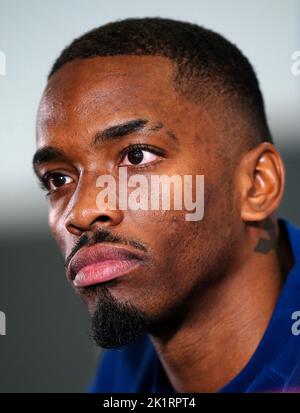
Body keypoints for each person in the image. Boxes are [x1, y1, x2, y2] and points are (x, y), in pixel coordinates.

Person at [33, 17, 300, 392]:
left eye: (137, 157)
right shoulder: (130, 360)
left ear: (257, 185)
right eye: (58, 179)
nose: (81, 212)